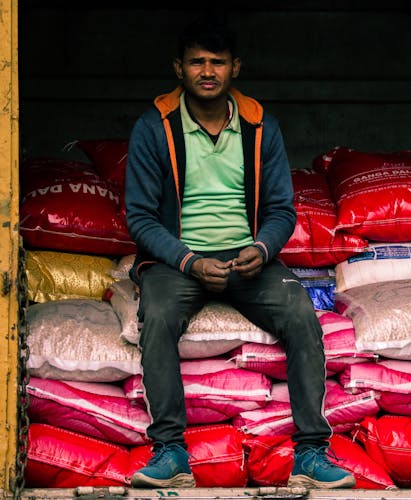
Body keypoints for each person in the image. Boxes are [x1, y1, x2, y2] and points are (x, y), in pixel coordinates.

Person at [125, 13, 356, 490]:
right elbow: (141, 218)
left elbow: (281, 210)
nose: (207, 72)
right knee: (159, 318)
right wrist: (189, 261)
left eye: (217, 62)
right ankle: (170, 451)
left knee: (301, 316)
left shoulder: (258, 125)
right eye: (196, 62)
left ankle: (312, 453)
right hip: (179, 259)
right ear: (178, 68)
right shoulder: (154, 126)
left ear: (235, 68)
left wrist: (263, 246)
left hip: (249, 257)